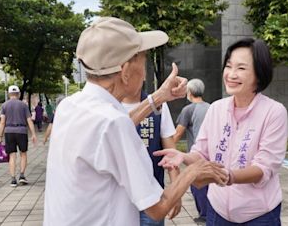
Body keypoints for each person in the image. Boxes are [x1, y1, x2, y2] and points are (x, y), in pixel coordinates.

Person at [43, 17, 228, 226]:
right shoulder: (112, 123)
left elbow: (108, 132)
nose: (145, 70)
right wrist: (194, 171)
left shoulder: (71, 105)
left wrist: (158, 97)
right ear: (125, 71)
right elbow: (157, 208)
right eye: (143, 59)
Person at [155, 38, 288, 225]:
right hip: (217, 211)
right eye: (229, 66)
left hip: (259, 215)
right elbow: (201, 153)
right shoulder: (216, 108)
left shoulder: (274, 112)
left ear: (259, 73)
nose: (231, 74)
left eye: (241, 68)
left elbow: (264, 168)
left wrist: (225, 176)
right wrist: (183, 156)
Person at [122, 85, 181, 226]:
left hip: (152, 197)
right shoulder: (110, 106)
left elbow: (171, 154)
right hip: (119, 198)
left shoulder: (159, 106)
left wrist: (176, 194)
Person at [173, 78, 210, 223]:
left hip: (197, 154)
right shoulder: (211, 107)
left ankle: (204, 215)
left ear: (189, 92)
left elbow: (177, 134)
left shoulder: (188, 110)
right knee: (210, 183)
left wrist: (167, 149)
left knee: (198, 185)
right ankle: (210, 213)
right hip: (212, 153)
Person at [0, 85, 37, 187]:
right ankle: (22, 176)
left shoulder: (4, 105)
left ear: (9, 94)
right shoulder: (23, 105)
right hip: (22, 131)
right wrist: (33, 134)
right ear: (18, 94)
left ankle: (13, 180)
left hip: (9, 132)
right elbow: (29, 120)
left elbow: (2, 122)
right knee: (23, 154)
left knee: (12, 155)